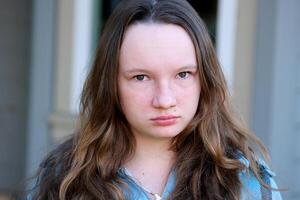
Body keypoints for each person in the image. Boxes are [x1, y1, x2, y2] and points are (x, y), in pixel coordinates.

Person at [27, 0, 282, 199]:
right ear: (111, 84)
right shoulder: (64, 179)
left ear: (204, 78)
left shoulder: (244, 179)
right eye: (141, 77)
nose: (164, 99)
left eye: (183, 74)